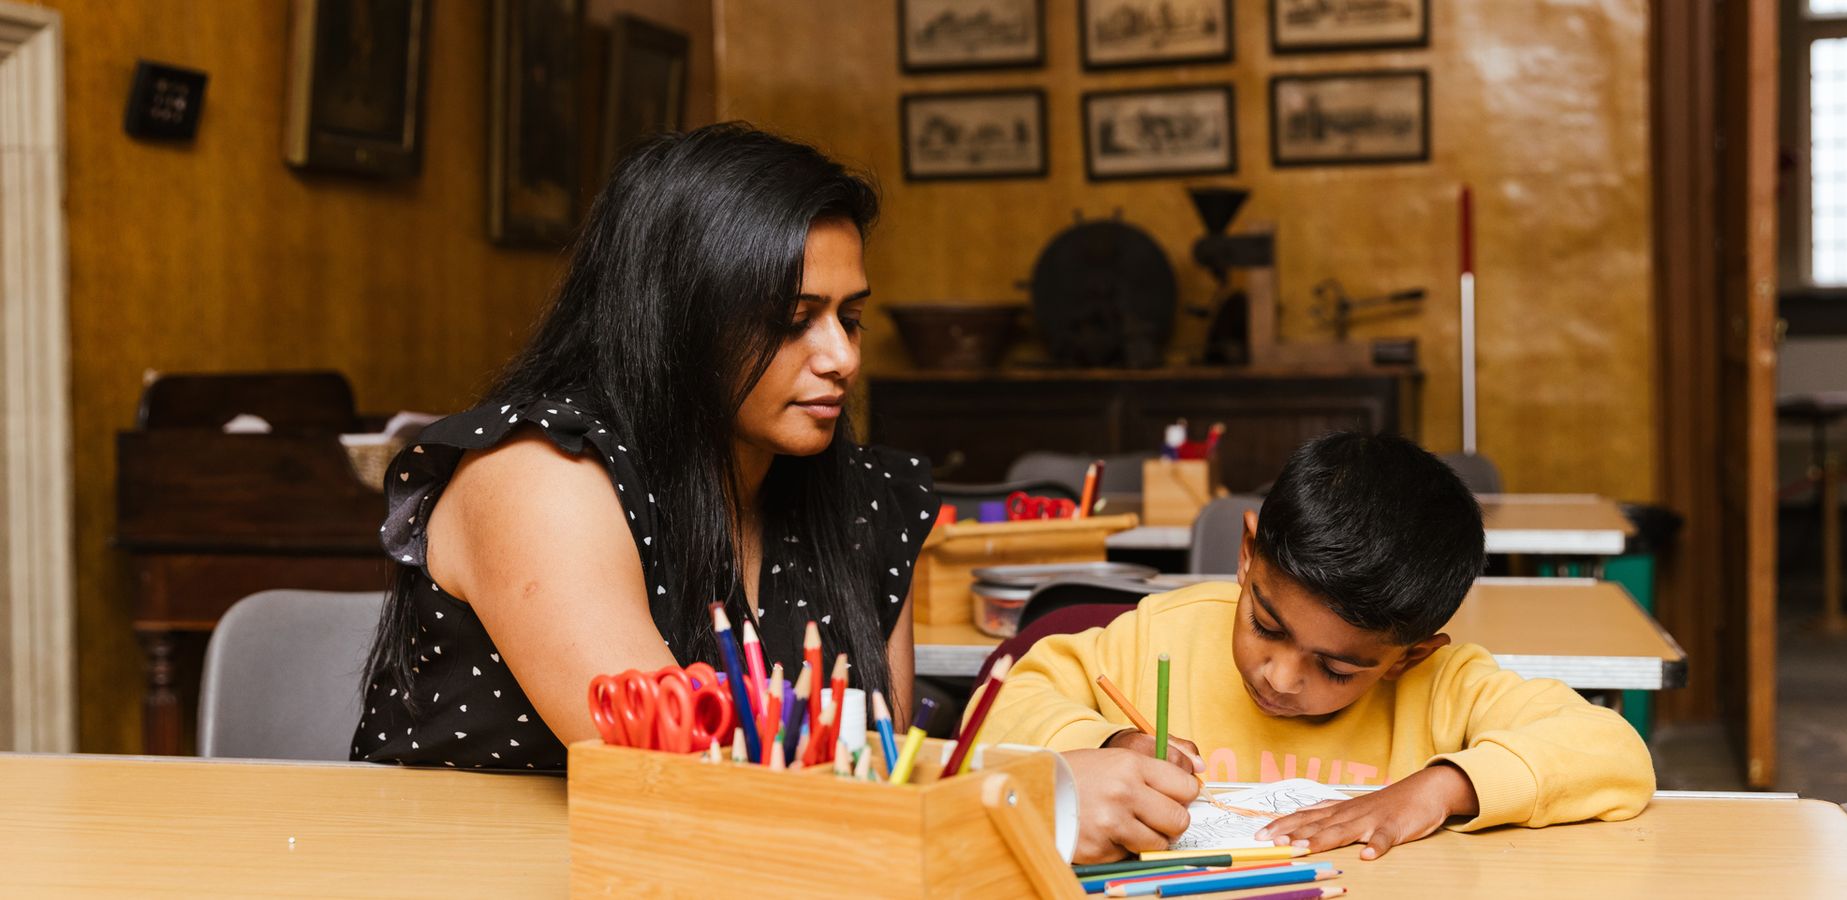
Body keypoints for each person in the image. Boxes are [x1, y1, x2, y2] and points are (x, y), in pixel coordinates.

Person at [353, 124, 937, 769]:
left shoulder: (864, 498)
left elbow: (882, 771)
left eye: (849, 319)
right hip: (463, 862)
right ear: (678, 324)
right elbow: (675, 779)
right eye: (794, 322)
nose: (842, 358)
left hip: (741, 865)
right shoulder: (542, 478)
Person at [968, 432, 1655, 863]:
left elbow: (1615, 752)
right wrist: (1107, 742)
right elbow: (1006, 701)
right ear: (1246, 556)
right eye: (1266, 624)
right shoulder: (1159, 637)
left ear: (1407, 656)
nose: (1281, 676)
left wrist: (1444, 787)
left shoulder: (1444, 687)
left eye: (1336, 667)